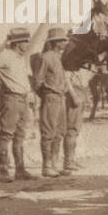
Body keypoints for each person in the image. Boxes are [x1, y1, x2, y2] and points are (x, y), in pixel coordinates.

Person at [0, 26, 36, 182]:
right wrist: (2, 82)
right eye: (25, 42)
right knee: (7, 135)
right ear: (18, 42)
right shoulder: (5, 55)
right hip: (11, 99)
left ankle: (20, 170)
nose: (27, 44)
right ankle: (3, 170)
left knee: (20, 136)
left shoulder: (19, 57)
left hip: (22, 99)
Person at [34, 27, 70, 178]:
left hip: (61, 97)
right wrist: (46, 95)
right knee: (48, 132)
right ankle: (46, 166)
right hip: (51, 97)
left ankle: (54, 164)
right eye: (62, 40)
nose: (64, 43)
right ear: (55, 42)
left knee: (60, 131)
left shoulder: (62, 58)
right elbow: (37, 81)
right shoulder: (46, 57)